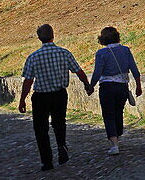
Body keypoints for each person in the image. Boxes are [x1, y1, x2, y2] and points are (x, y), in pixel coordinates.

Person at [19, 24, 91, 171]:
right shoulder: (64, 53)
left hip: (41, 97)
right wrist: (87, 84)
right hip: (59, 94)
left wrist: (22, 99)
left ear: (39, 38)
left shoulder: (33, 57)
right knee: (59, 123)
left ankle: (47, 161)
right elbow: (78, 71)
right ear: (53, 35)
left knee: (41, 129)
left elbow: (28, 81)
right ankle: (61, 145)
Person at [88, 26, 142, 155]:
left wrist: (91, 86)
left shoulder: (101, 53)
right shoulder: (125, 50)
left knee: (108, 115)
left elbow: (97, 72)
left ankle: (114, 144)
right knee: (118, 112)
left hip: (107, 87)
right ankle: (117, 135)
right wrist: (138, 86)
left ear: (102, 39)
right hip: (122, 87)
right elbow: (134, 69)